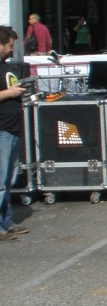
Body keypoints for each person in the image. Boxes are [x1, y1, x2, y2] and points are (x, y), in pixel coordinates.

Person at [0, 25, 29, 241]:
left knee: (7, 180)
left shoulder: (5, 66)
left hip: (13, 128)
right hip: (2, 130)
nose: (12, 50)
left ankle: (7, 222)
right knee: (0, 181)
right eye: (9, 45)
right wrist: (9, 93)